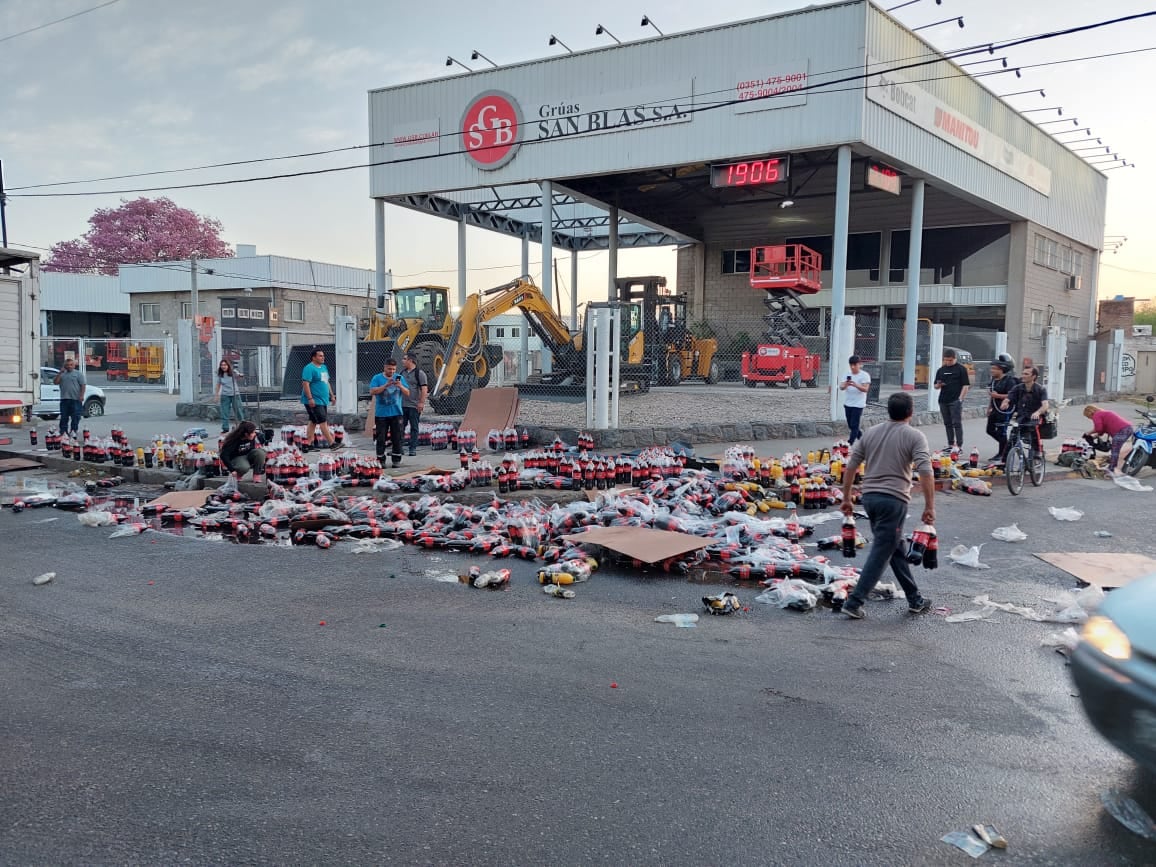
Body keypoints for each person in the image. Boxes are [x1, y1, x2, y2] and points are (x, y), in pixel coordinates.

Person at [840, 392, 935, 619]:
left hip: (870, 498)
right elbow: (925, 471)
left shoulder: (871, 433)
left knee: (894, 548)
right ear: (911, 413)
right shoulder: (915, 436)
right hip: (893, 500)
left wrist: (846, 498)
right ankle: (854, 602)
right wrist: (930, 506)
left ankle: (915, 599)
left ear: (889, 411)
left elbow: (851, 466)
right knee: (883, 550)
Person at [367, 358, 410, 469]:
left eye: (393, 369)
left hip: (396, 413)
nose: (391, 371)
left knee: (397, 437)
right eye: (389, 369)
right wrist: (385, 386)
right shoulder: (377, 378)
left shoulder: (399, 378)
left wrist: (400, 386)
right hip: (381, 414)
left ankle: (396, 459)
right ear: (385, 367)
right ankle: (381, 460)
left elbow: (408, 393)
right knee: (381, 438)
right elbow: (372, 391)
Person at [1000, 366, 1049, 459]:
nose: (1023, 376)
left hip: (1036, 417)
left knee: (1033, 427)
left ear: (1034, 376)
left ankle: (1037, 451)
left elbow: (1045, 405)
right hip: (1022, 416)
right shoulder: (1018, 388)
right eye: (1023, 373)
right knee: (1013, 435)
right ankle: (1004, 461)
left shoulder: (1041, 389)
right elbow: (1008, 398)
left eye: (1026, 374)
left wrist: (1037, 413)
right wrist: (1005, 403)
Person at [933, 348, 970, 450]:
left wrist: (960, 399)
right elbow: (935, 386)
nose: (948, 362)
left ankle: (959, 445)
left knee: (956, 423)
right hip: (943, 400)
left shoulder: (961, 369)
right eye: (946, 360)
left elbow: (965, 386)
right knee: (947, 423)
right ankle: (950, 444)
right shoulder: (941, 370)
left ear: (955, 359)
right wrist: (939, 384)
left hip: (955, 400)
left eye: (950, 360)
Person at [1083, 404, 1133, 476]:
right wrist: (1097, 435)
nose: (1089, 418)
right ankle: (1114, 464)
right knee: (1116, 448)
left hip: (1122, 430)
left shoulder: (1096, 415)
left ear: (1090, 413)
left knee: (1115, 449)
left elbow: (1099, 428)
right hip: (1127, 428)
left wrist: (1089, 433)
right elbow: (1103, 428)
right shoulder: (1102, 413)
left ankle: (1111, 468)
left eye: (1088, 417)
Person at [301, 348, 336, 450]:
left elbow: (326, 382)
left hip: (323, 399)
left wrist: (332, 395)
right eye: (320, 356)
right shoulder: (309, 368)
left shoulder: (324, 367)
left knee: (313, 421)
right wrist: (310, 398)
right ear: (314, 357)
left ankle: (308, 444)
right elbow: (305, 384)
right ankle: (332, 443)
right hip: (314, 400)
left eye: (323, 356)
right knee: (322, 421)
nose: (323, 357)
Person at [985, 357, 1017, 462]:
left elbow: (1012, 395)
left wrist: (998, 396)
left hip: (1006, 410)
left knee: (1001, 432)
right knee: (989, 430)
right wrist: (989, 407)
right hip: (995, 409)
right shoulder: (994, 381)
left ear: (1001, 369)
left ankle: (1002, 453)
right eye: (992, 368)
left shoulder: (1009, 381)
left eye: (994, 368)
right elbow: (992, 395)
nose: (992, 370)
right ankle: (1008, 445)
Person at [400, 352, 429, 457]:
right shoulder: (402, 373)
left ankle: (412, 448)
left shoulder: (419, 374)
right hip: (402, 405)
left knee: (414, 427)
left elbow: (424, 389)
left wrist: (421, 402)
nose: (402, 361)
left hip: (413, 405)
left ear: (411, 361)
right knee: (400, 427)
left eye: (404, 359)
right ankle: (399, 448)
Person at [839, 355, 871, 444]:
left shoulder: (864, 375)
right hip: (848, 403)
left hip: (858, 404)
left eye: (854, 365)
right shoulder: (847, 374)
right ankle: (863, 439)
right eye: (851, 365)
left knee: (854, 424)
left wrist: (855, 385)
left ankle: (849, 443)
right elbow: (841, 387)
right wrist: (846, 384)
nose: (852, 367)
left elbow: (866, 389)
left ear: (859, 364)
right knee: (851, 425)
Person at [54, 358, 86, 437]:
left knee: (75, 417)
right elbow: (55, 382)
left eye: (71, 365)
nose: (69, 366)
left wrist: (81, 395)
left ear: (74, 365)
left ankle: (73, 431)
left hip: (75, 399)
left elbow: (83, 385)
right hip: (64, 399)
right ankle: (63, 432)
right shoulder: (62, 374)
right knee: (64, 417)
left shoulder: (78, 374)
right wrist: (59, 373)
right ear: (64, 365)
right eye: (67, 365)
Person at [214, 358, 244, 434]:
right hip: (225, 395)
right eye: (221, 365)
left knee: (238, 410)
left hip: (234, 394)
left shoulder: (233, 372)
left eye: (225, 365)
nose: (223, 366)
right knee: (225, 412)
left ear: (228, 365)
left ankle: (243, 425)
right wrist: (217, 395)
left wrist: (240, 375)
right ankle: (225, 428)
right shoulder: (220, 375)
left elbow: (239, 376)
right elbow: (218, 385)